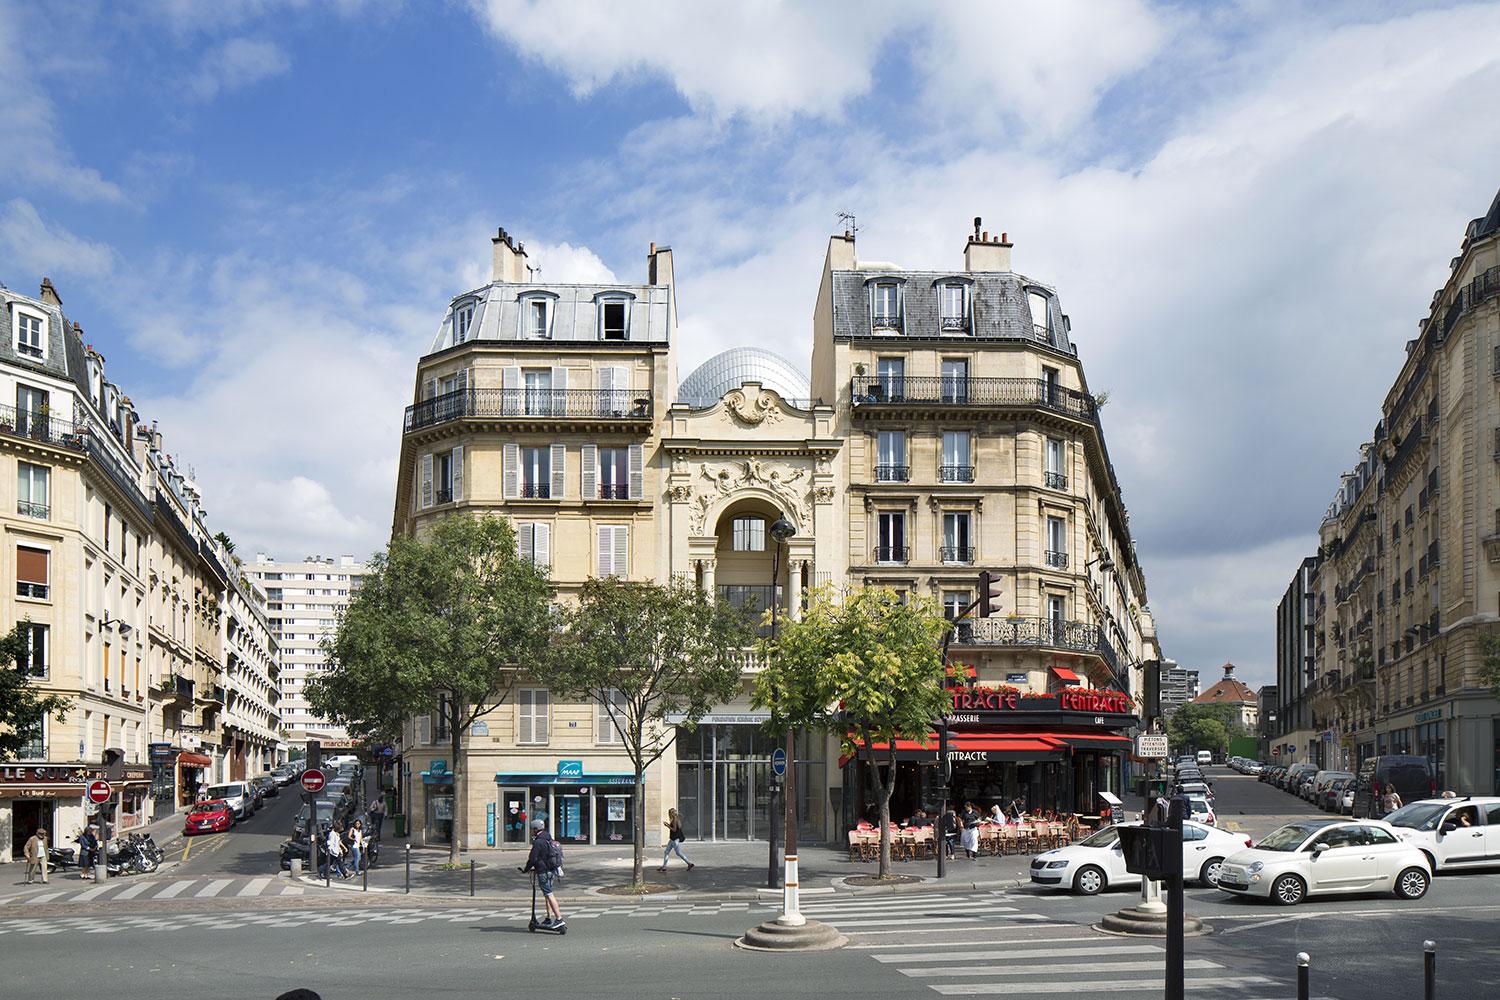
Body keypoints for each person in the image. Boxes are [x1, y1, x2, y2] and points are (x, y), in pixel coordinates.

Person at [522, 818, 564, 927]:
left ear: (536, 829)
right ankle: (548, 918)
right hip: (551, 871)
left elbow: (532, 858)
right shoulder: (548, 838)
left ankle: (559, 918)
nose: (531, 831)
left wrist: (526, 869)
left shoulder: (538, 842)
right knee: (547, 894)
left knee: (549, 894)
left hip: (543, 872)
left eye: (532, 829)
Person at [658, 807, 694, 872]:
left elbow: (674, 829)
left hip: (674, 839)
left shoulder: (675, 820)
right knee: (666, 851)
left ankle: (689, 863)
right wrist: (668, 825)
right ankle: (664, 866)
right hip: (672, 839)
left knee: (678, 853)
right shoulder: (676, 819)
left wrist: (667, 825)